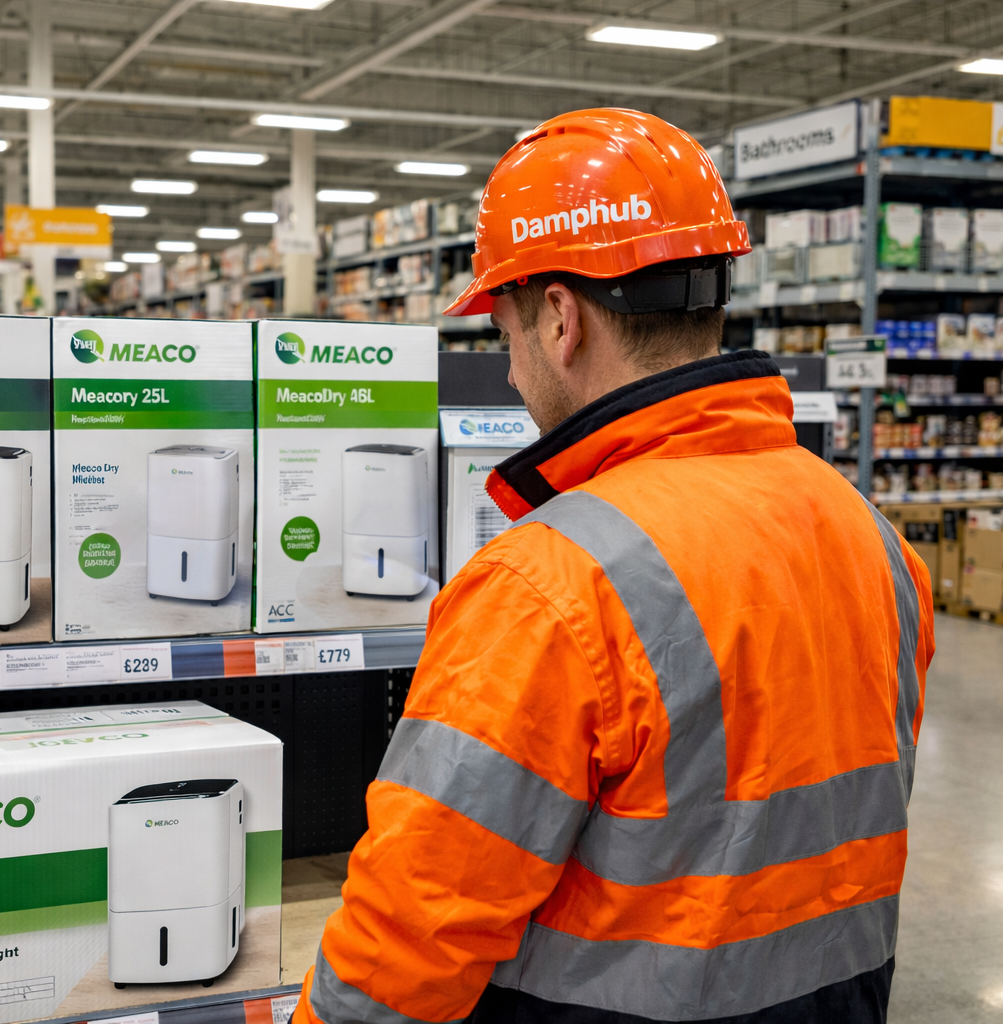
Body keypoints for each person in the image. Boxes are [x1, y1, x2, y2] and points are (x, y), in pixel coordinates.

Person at [289, 108, 934, 1024]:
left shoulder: (548, 583)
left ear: (559, 319)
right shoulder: (872, 537)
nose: (511, 374)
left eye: (505, 334)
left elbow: (411, 936)